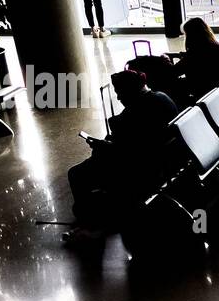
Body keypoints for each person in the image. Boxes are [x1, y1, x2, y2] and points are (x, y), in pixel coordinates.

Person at [65, 70, 178, 243]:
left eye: (119, 93)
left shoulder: (137, 111)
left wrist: (102, 146)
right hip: (164, 161)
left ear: (129, 90)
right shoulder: (162, 97)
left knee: (76, 174)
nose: (118, 98)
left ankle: (93, 223)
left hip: (140, 168)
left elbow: (127, 151)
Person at [170, 17, 219, 103]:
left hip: (201, 91)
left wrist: (166, 61)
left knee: (168, 82)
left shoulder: (195, 53)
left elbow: (174, 71)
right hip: (215, 87)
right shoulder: (215, 46)